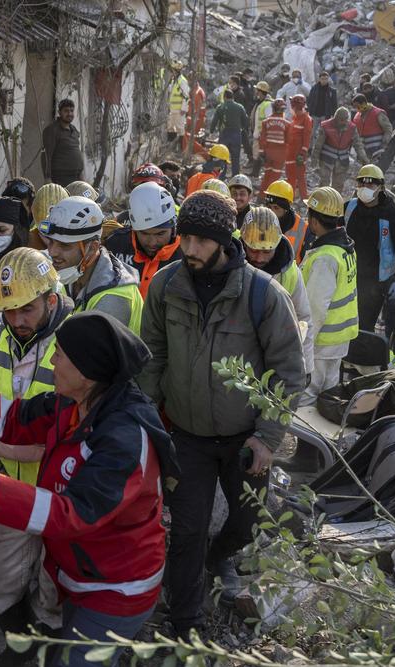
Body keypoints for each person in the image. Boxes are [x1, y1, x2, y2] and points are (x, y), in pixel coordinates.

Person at [0, 311, 175, 667]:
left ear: (87, 373)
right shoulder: (76, 405)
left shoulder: (124, 439)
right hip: (81, 576)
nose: (52, 360)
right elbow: (16, 420)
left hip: (116, 590)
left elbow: (73, 514)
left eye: (60, 354)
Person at [138, 190, 307, 640]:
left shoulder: (262, 294)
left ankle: (222, 555)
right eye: (185, 238)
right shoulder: (165, 286)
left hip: (243, 438)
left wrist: (267, 438)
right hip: (186, 436)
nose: (189, 249)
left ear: (224, 239)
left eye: (200, 241)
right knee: (187, 530)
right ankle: (186, 621)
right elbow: (152, 357)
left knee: (247, 521)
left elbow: (289, 372)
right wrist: (145, 421)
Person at [0, 248, 70, 667]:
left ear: (51, 299)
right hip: (12, 484)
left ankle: (40, 649)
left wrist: (1, 447)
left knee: (54, 589)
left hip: (62, 491)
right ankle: (23, 641)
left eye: (25, 309)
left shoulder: (78, 343)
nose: (16, 320)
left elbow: (75, 434)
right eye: (8, 311)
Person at [41, 196, 144, 332]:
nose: (52, 252)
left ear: (93, 248)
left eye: (65, 245)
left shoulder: (113, 298)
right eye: (51, 241)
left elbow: (88, 352)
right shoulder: (72, 270)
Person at [300, 187, 358, 398]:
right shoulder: (346, 248)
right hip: (340, 339)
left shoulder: (324, 258)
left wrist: (304, 343)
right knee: (329, 394)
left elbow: (315, 308)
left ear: (314, 221)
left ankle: (305, 432)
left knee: (307, 395)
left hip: (321, 341)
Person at [240, 207, 313, 371]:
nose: (259, 258)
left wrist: (306, 369)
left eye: (267, 251)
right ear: (243, 242)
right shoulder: (228, 261)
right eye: (253, 250)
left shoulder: (291, 273)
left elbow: (304, 321)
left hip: (273, 357)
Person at [345, 164, 395, 333]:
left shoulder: (392, 214)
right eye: (361, 184)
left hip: (376, 281)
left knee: (364, 326)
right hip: (347, 276)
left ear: (381, 187)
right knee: (345, 321)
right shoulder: (350, 208)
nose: (365, 188)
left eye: (370, 184)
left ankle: (360, 357)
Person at [105, 182, 183, 298]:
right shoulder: (114, 244)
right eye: (144, 233)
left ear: (173, 228)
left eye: (160, 234)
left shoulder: (188, 253)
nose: (152, 242)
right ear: (134, 229)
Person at [312, 107, 367, 193]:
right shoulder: (326, 126)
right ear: (335, 119)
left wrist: (364, 158)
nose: (344, 122)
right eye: (341, 120)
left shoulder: (352, 128)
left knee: (338, 185)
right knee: (324, 183)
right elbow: (318, 145)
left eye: (345, 120)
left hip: (342, 160)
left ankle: (335, 203)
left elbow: (358, 145)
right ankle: (322, 202)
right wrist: (314, 159)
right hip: (326, 158)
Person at [42, 99, 84, 186]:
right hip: (60, 179)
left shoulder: (74, 130)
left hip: (76, 178)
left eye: (71, 111)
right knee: (64, 200)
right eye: (66, 111)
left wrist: (81, 175)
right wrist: (47, 178)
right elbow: (46, 155)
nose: (69, 114)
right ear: (59, 112)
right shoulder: (52, 130)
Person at [265, 179, 309, 261]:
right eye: (269, 207)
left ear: (286, 209)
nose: (271, 212)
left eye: (276, 208)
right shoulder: (259, 221)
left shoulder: (303, 228)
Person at [209, 89, 249, 177]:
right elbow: (246, 120)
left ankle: (222, 175)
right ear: (233, 97)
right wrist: (243, 128)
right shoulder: (240, 107)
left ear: (224, 97)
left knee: (222, 156)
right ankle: (235, 176)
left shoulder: (221, 107)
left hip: (224, 134)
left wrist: (211, 131)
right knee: (235, 158)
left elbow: (214, 121)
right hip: (236, 134)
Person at [258, 99, 291, 191]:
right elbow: (288, 140)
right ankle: (269, 198)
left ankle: (261, 196)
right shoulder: (287, 124)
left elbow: (262, 138)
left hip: (268, 153)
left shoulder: (266, 122)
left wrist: (261, 152)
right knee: (275, 177)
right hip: (280, 155)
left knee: (267, 174)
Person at [352, 94, 393, 166]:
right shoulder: (357, 116)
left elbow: (388, 129)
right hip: (364, 152)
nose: (356, 109)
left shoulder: (378, 113)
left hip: (377, 150)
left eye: (357, 106)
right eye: (355, 107)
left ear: (364, 103)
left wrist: (384, 145)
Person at [286, 94, 313, 199]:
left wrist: (302, 153)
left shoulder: (306, 119)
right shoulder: (295, 118)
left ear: (294, 106)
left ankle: (302, 198)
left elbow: (307, 138)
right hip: (290, 154)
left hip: (297, 156)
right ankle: (292, 197)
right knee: (291, 177)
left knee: (298, 177)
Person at [167, 61, 190, 142]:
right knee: (170, 127)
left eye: (172, 70)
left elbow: (186, 96)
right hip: (172, 109)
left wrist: (183, 109)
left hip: (179, 110)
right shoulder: (174, 81)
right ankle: (171, 149)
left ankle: (180, 149)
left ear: (176, 70)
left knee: (180, 129)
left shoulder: (182, 81)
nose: (171, 72)